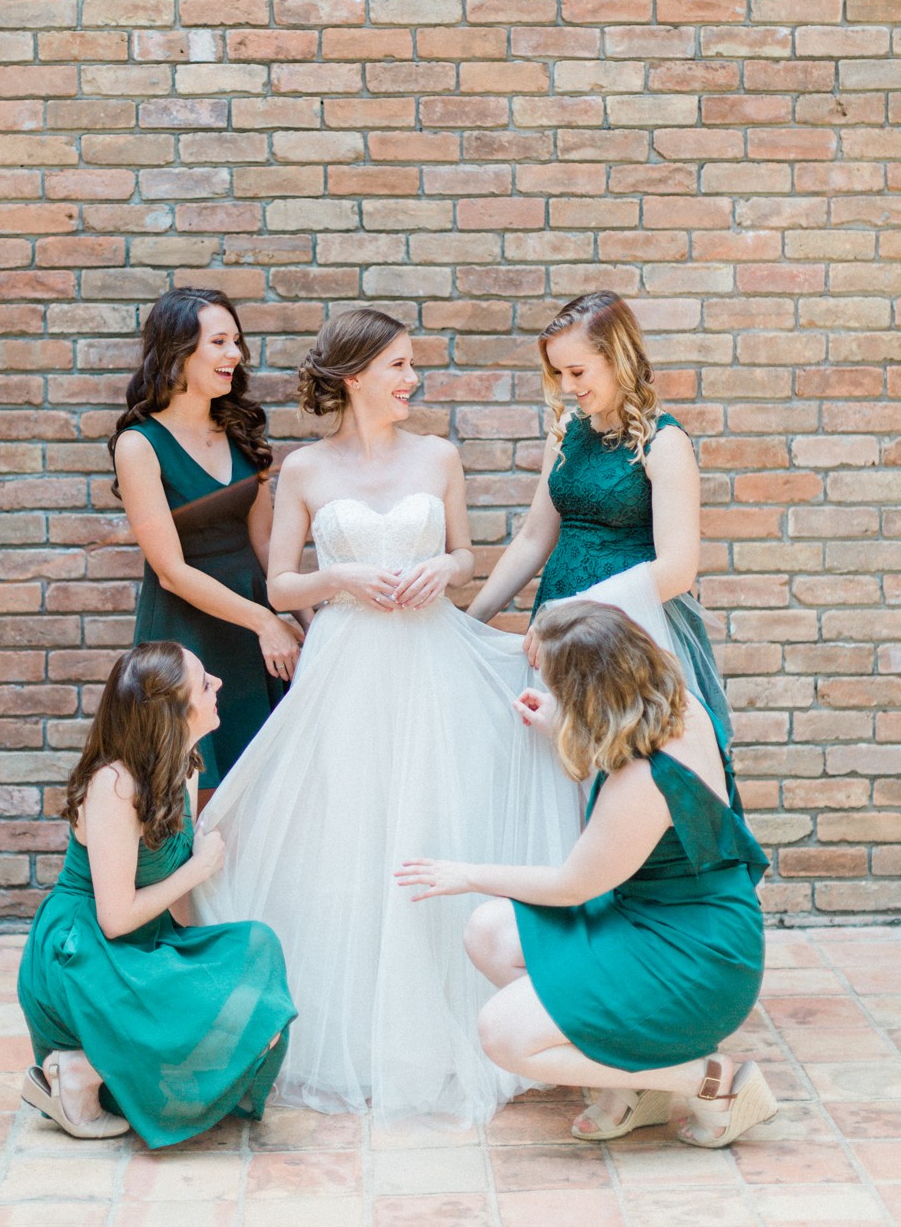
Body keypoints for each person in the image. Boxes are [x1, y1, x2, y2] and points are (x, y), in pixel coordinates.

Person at [192, 308, 582, 1123]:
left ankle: (438, 1025)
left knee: (432, 819)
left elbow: (468, 558)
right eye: (399, 366)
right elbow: (280, 588)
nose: (412, 379)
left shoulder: (439, 456)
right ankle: (351, 1029)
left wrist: (440, 566)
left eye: (412, 365)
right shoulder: (303, 471)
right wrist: (344, 583)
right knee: (351, 831)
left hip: (429, 660)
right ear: (355, 375)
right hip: (348, 669)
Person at [397, 600, 773, 1149]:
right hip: (657, 919)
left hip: (697, 961)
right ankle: (633, 1083)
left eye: (557, 684)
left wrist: (467, 871)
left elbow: (572, 885)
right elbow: (620, 751)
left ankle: (710, 1081)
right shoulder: (674, 702)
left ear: (591, 691)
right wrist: (559, 723)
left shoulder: (645, 781)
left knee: (503, 1035)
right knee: (489, 932)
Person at [16, 641, 295, 1148]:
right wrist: (200, 869)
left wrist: (192, 970)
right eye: (205, 683)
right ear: (173, 712)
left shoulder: (183, 763)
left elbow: (174, 902)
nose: (219, 687)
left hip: (142, 939)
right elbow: (116, 918)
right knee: (216, 1014)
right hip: (83, 953)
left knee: (257, 950)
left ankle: (102, 1067)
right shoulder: (115, 785)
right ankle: (79, 1070)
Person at [467, 291, 731, 739]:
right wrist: (470, 623)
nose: (567, 386)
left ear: (618, 358)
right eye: (558, 373)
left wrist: (568, 612)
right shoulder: (567, 434)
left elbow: (678, 569)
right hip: (556, 633)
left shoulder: (664, 443)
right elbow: (533, 538)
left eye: (577, 371)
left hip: (628, 632)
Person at [111, 288, 303, 791]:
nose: (235, 355)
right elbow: (171, 571)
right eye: (219, 342)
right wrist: (266, 621)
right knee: (195, 788)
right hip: (186, 631)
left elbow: (267, 550)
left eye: (236, 341)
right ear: (178, 352)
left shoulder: (240, 431)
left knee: (264, 787)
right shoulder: (139, 445)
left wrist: (307, 622)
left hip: (255, 632)